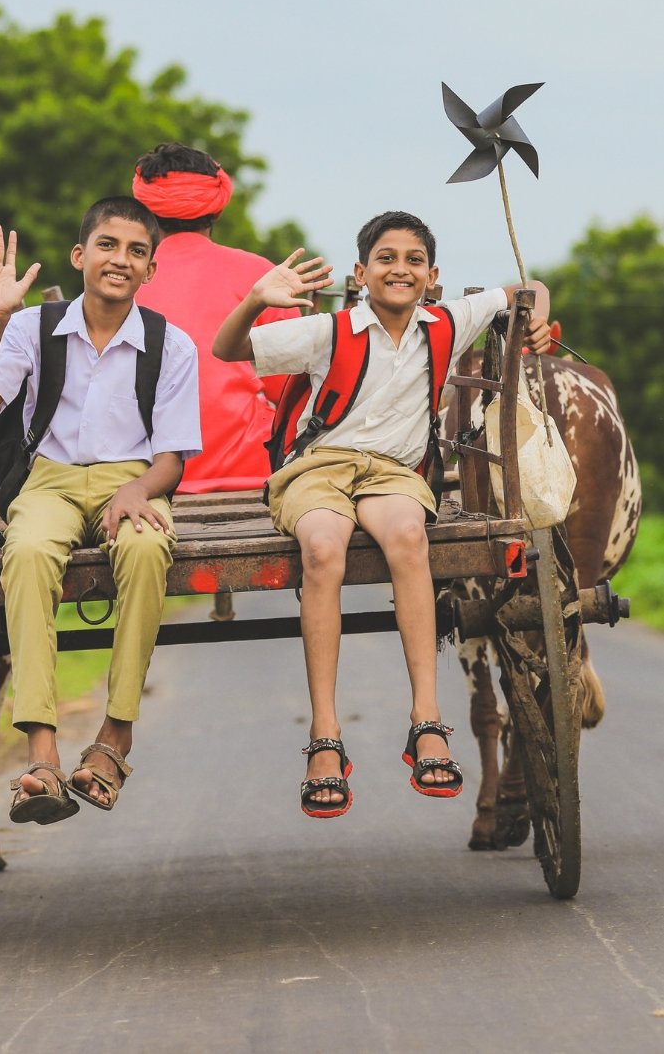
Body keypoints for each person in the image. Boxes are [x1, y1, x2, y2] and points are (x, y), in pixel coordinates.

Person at [213, 210, 551, 816]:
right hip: (316, 469)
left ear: (432, 274)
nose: (400, 269)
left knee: (408, 538)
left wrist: (536, 320)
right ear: (361, 271)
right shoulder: (330, 331)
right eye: (386, 258)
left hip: (394, 474)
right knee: (322, 547)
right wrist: (256, 298)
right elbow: (226, 347)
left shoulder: (447, 324)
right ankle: (325, 735)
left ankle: (426, 719)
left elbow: (529, 290)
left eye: (413, 260)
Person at [0, 200, 201, 824]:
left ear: (150, 269)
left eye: (136, 250)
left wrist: (140, 490)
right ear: (80, 255)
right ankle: (42, 752)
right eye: (106, 244)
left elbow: (172, 458)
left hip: (134, 478)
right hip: (50, 478)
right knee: (30, 551)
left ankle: (114, 736)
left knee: (148, 548)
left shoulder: (169, 344)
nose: (119, 259)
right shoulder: (29, 330)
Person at [131, 141, 298, 493]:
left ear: (144, 209)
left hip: (144, 481)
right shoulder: (260, 275)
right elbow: (290, 391)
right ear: (217, 208)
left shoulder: (121, 280)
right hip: (256, 473)